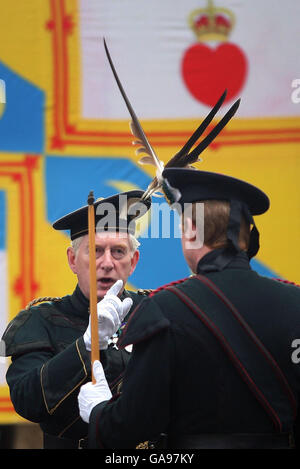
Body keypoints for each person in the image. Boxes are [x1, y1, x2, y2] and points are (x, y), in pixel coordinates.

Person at [78, 168, 300, 449]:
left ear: (193, 231)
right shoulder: (295, 302)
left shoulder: (166, 309)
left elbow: (134, 423)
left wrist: (98, 412)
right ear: (246, 237)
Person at [1, 190, 151, 449]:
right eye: (94, 251)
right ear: (72, 260)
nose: (106, 263)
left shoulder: (152, 312)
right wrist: (86, 346)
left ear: (133, 261)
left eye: (118, 251)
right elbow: (27, 401)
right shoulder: (40, 320)